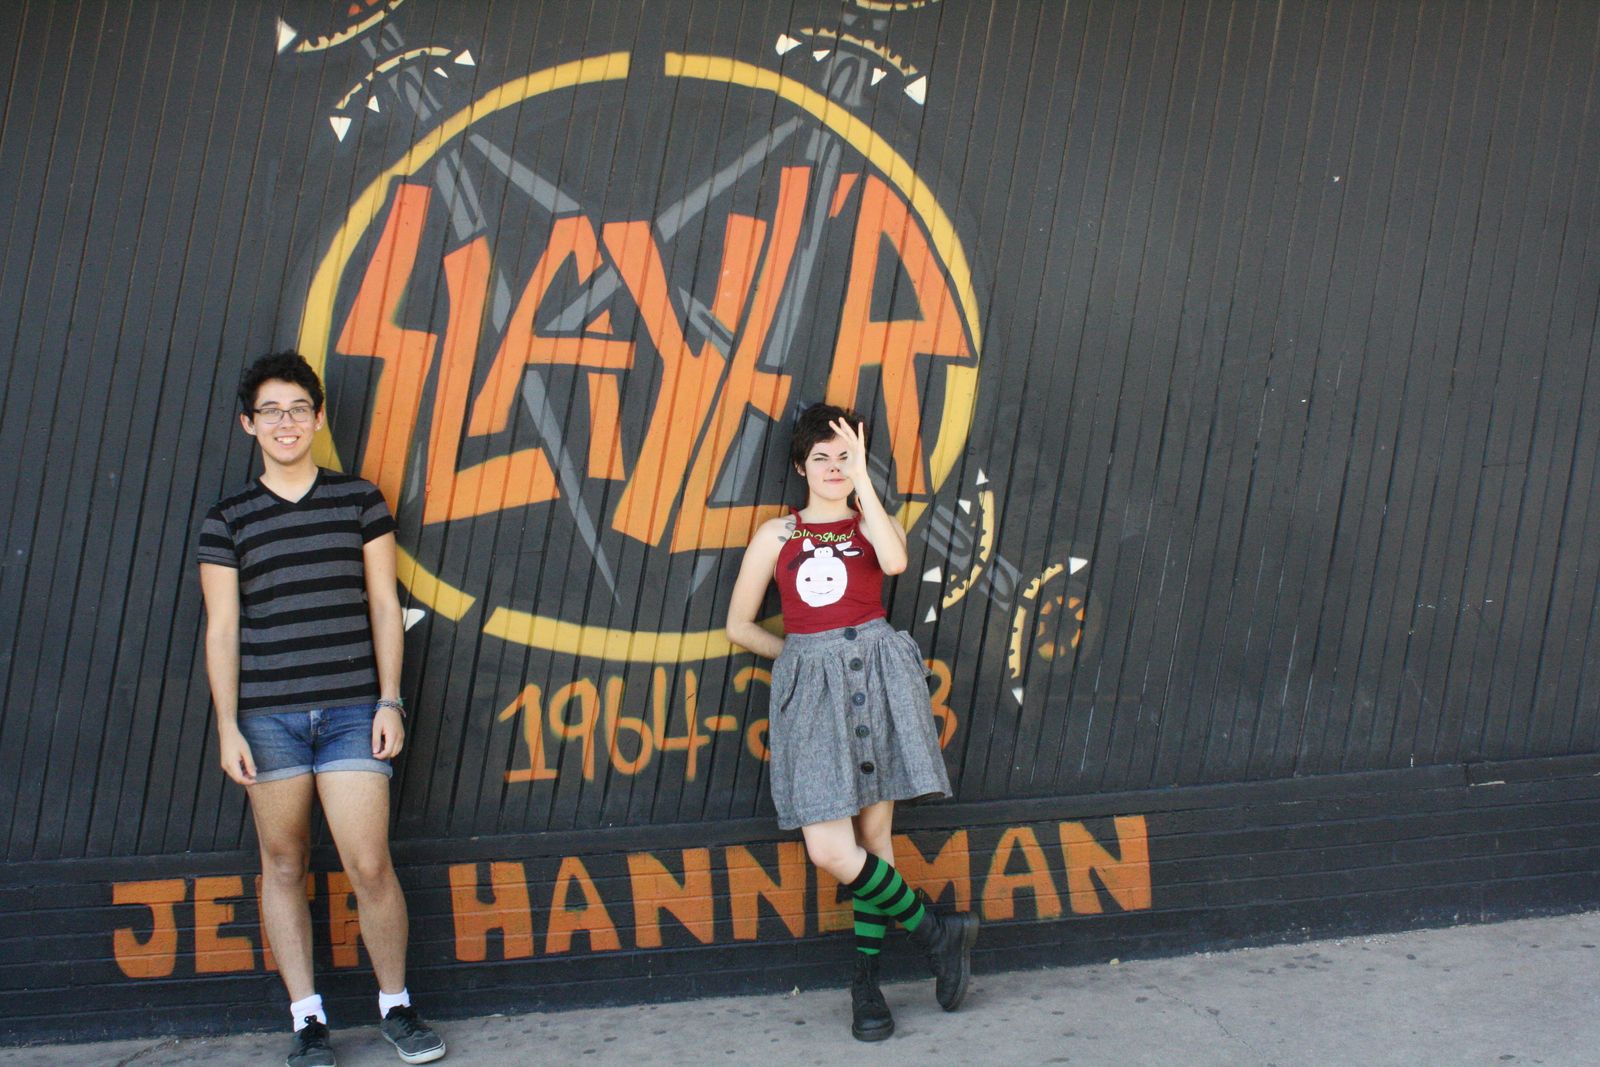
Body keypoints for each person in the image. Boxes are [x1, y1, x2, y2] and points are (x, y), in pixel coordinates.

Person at [197, 352, 445, 1067]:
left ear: (317, 417)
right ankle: (308, 1021)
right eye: (271, 411)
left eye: (298, 408)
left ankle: (396, 1007)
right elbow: (222, 628)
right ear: (248, 423)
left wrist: (389, 699)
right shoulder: (227, 519)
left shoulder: (360, 500)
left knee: (370, 863)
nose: (286, 422)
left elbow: (384, 606)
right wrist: (228, 725)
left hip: (351, 712)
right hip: (267, 718)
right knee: (283, 863)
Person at [725, 402, 979, 1041]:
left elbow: (894, 564)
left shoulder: (873, 523)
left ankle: (867, 988)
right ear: (800, 466)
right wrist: (803, 660)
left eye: (845, 456)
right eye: (822, 457)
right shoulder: (776, 536)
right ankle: (936, 931)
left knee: (874, 840)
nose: (834, 467)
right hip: (814, 693)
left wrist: (865, 479)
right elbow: (739, 625)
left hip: (878, 678)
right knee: (830, 849)